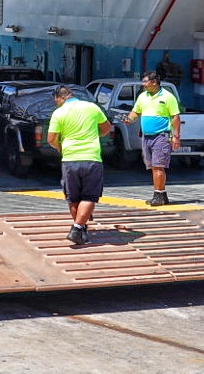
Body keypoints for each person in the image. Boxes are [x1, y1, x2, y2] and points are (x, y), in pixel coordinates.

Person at [47, 85, 112, 246]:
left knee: (73, 197)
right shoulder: (91, 107)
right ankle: (78, 228)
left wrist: (58, 146)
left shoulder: (58, 113)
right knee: (90, 196)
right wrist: (94, 136)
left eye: (56, 100)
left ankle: (79, 229)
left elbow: (51, 139)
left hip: (70, 159)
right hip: (92, 157)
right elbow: (106, 128)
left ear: (59, 98)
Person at [123, 70, 181, 206]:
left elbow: (175, 117)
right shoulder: (143, 96)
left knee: (158, 166)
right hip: (147, 137)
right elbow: (136, 111)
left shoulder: (168, 97)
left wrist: (176, 136)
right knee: (152, 166)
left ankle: (158, 195)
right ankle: (162, 194)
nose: (143, 84)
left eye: (145, 82)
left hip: (161, 136)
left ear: (154, 82)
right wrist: (128, 119)